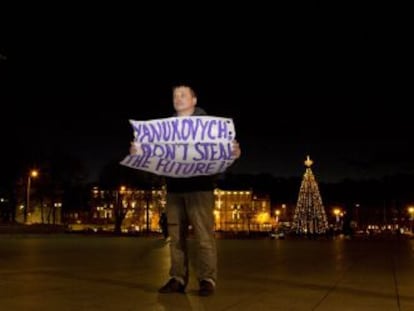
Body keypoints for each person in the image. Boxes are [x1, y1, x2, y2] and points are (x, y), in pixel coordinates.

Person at [130, 85, 241, 296]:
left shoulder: (210, 127)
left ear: (194, 100)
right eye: (174, 95)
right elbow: (153, 158)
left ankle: (207, 279)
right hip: (174, 189)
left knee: (203, 237)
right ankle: (177, 278)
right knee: (176, 237)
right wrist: (138, 153)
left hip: (200, 188)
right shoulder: (164, 130)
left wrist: (233, 153)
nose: (178, 98)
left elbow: (222, 155)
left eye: (183, 95)